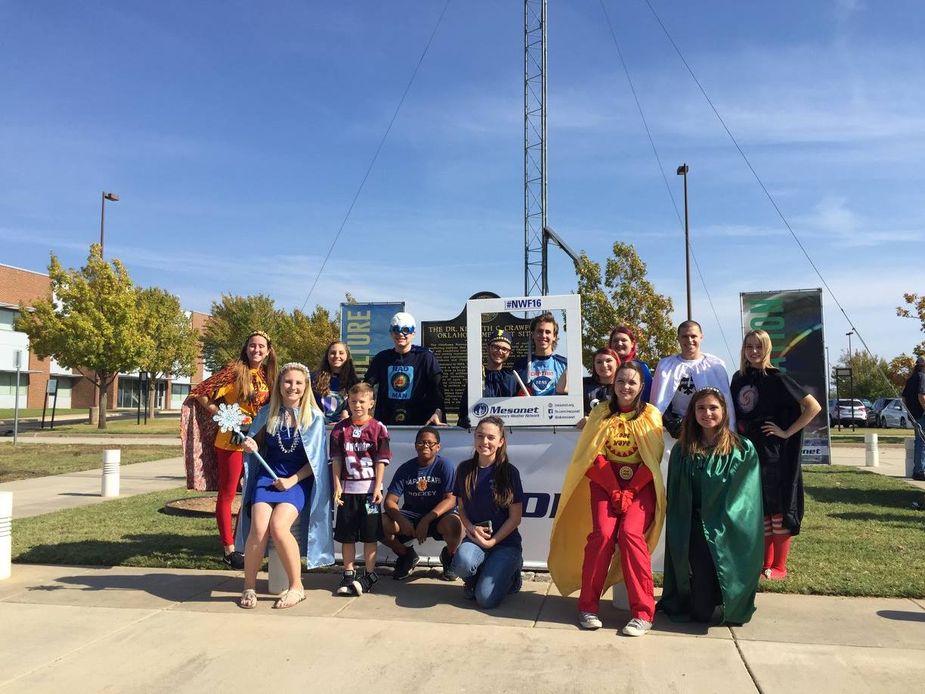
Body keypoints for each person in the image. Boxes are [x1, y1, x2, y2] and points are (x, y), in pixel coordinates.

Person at [548, 361, 666, 636]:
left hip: (640, 485)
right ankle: (587, 606)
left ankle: (643, 613)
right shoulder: (600, 412)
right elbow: (590, 454)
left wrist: (630, 490)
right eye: (621, 381)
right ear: (614, 384)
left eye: (632, 382)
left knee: (630, 535)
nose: (626, 387)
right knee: (602, 536)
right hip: (604, 483)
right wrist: (614, 489)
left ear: (641, 387)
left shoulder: (651, 415)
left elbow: (653, 458)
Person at [658, 388, 763, 625]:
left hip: (726, 529)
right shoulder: (682, 450)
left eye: (713, 408)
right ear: (692, 413)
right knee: (701, 614)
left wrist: (720, 522)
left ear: (724, 412)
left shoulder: (741, 449)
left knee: (722, 596)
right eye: (701, 408)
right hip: (695, 530)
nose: (707, 413)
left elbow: (747, 500)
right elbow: (675, 497)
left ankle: (726, 597)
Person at [235, 362, 334, 609]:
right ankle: (249, 586)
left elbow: (317, 462)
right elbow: (256, 444)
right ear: (279, 385)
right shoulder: (267, 413)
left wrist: (292, 480)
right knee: (259, 528)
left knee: (279, 527)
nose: (293, 387)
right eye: (288, 382)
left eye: (298, 383)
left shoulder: (314, 418)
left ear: (306, 387)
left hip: (298, 480)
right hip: (268, 478)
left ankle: (297, 587)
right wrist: (250, 446)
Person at [181, 330, 278, 568]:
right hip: (231, 441)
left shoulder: (270, 375)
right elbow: (200, 392)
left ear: (268, 351)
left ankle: (248, 544)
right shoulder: (233, 372)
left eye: (261, 346)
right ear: (246, 348)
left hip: (258, 441)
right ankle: (229, 549)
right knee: (228, 495)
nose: (257, 350)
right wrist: (220, 413)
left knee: (254, 495)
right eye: (253, 345)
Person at [731, 329, 821, 580]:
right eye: (749, 346)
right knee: (759, 507)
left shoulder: (777, 378)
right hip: (747, 450)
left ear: (767, 349)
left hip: (773, 451)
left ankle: (780, 565)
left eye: (759, 346)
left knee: (777, 506)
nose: (754, 351)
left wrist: (786, 432)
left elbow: (813, 406)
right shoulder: (739, 378)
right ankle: (765, 563)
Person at [450, 416, 524, 609]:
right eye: (480, 436)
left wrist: (492, 541)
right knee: (462, 564)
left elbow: (515, 518)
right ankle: (474, 579)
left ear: (501, 442)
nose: (485, 442)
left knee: (485, 600)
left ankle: (512, 574)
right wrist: (471, 528)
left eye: (491, 437)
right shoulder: (464, 469)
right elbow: (461, 508)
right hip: (475, 540)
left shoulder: (509, 472)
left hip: (505, 544)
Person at [330, 382, 391, 596]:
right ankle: (348, 572)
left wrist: (377, 487)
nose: (357, 405)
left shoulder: (378, 428)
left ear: (371, 403)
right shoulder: (340, 429)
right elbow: (336, 459)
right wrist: (337, 485)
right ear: (348, 401)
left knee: (370, 535)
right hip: (347, 490)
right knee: (347, 535)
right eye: (353, 401)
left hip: (368, 490)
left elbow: (381, 461)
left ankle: (370, 573)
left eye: (362, 401)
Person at [382, 426, 462, 581]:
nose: (425, 446)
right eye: (421, 442)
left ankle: (449, 557)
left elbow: (451, 499)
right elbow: (390, 501)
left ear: (438, 447)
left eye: (430, 443)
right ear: (415, 445)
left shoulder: (445, 465)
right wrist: (401, 520)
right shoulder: (406, 468)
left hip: (438, 517)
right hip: (411, 516)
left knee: (455, 524)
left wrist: (427, 520)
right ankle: (407, 556)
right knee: (379, 523)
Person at [651, 320, 735, 438]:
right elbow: (657, 402)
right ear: (678, 338)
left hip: (708, 428)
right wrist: (669, 422)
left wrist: (729, 430)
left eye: (693, 336)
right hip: (675, 429)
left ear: (701, 337)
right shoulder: (665, 366)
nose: (689, 340)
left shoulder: (715, 365)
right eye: (685, 336)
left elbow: (725, 402)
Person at [364, 311, 445, 426]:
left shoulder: (425, 357)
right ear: (391, 333)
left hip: (420, 423)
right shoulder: (381, 358)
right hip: (386, 423)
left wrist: (438, 411)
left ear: (413, 333)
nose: (401, 334)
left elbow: (437, 390)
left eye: (406, 330)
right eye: (396, 329)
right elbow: (366, 387)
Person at [457, 329, 525, 428]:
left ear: (509, 353)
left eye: (504, 349)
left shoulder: (512, 379)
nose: (500, 351)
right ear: (487, 347)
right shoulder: (476, 377)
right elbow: (464, 411)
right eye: (495, 347)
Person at [514, 312, 568, 396]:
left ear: (554, 336)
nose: (543, 335)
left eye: (548, 332)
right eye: (539, 331)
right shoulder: (520, 366)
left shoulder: (564, 365)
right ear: (533, 335)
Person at [311, 340, 359, 424]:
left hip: (345, 429)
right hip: (318, 427)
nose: (337, 356)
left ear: (347, 357)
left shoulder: (355, 382)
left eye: (341, 353)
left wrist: (346, 414)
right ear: (327, 356)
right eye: (333, 353)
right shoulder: (314, 379)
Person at [576, 348, 621, 430]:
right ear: (594, 366)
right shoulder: (584, 384)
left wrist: (593, 420)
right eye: (599, 362)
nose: (604, 365)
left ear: (617, 363)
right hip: (587, 436)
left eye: (608, 361)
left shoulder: (624, 387)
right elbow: (561, 389)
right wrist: (572, 364)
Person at [609, 325, 653, 403]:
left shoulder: (641, 367)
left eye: (624, 340)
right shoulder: (605, 366)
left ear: (632, 344)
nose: (619, 343)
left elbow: (646, 395)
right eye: (615, 341)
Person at [902, 356, 925, 481]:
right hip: (922, 415)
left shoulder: (910, 379)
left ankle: (918, 470)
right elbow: (921, 396)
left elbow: (903, 398)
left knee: (919, 441)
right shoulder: (922, 377)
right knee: (922, 443)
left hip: (914, 415)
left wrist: (909, 412)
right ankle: (919, 471)